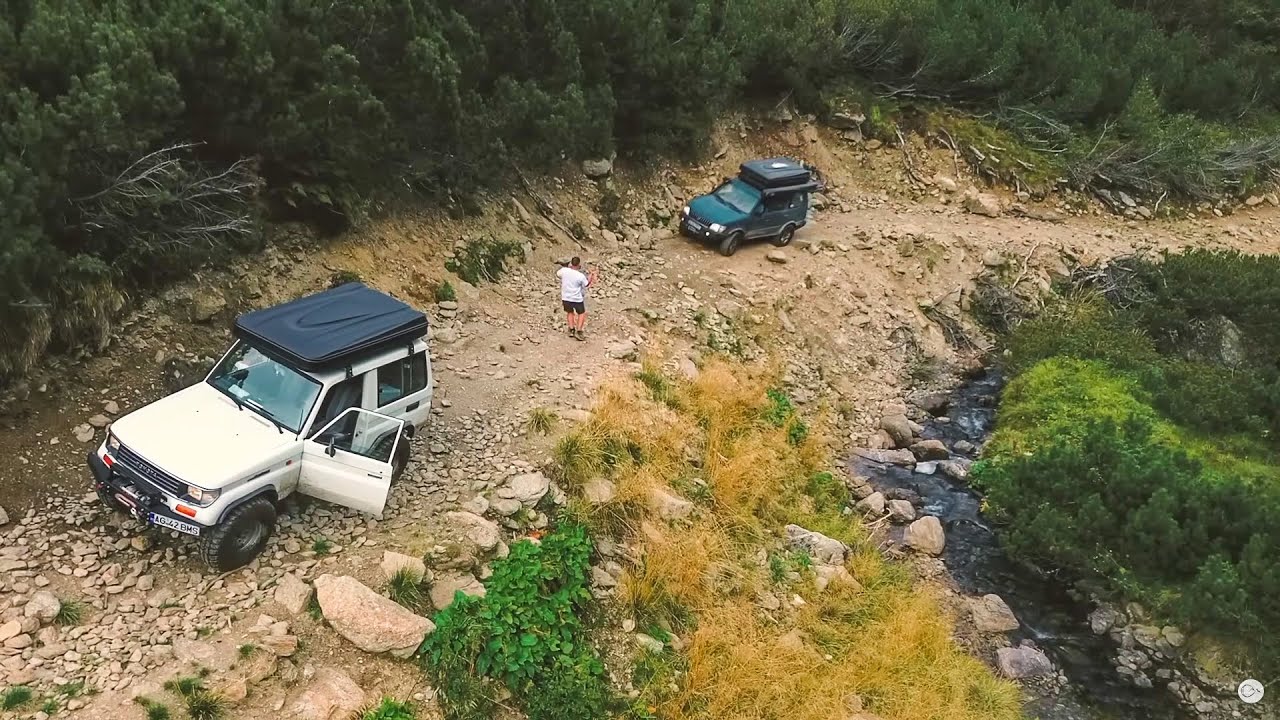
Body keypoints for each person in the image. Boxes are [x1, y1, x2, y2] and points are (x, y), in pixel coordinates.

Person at [556, 257, 596, 340]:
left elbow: (558, 274)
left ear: (571, 263)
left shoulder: (564, 271)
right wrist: (590, 276)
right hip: (576, 298)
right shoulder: (580, 276)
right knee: (581, 313)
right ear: (578, 264)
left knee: (570, 312)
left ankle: (571, 329)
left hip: (566, 297)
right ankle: (579, 331)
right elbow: (586, 284)